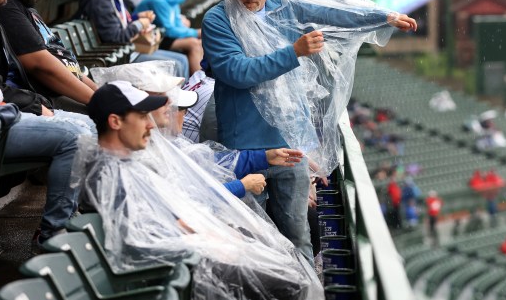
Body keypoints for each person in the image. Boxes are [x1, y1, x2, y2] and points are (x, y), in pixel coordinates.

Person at [201, 0, 416, 262]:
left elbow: (330, 9)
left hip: (290, 144)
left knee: (298, 234)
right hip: (245, 148)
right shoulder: (217, 20)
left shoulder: (280, 6)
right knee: (254, 241)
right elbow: (237, 71)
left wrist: (381, 16)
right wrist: (294, 52)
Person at [79, 81, 323, 299]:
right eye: (142, 116)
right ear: (115, 121)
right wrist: (205, 241)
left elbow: (166, 209)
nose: (150, 125)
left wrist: (209, 232)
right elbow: (142, 238)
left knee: (276, 253)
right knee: (293, 282)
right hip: (175, 264)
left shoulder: (126, 161)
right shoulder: (109, 173)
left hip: (186, 251)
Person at [0, 0, 91, 250]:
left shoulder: (1, 12)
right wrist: (33, 104)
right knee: (76, 136)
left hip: (9, 109)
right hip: (2, 118)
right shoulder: (3, 11)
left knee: (86, 130)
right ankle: (52, 235)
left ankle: (87, 220)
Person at [90, 60, 303, 199]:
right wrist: (242, 185)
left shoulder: (156, 144)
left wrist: (264, 157)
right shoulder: (133, 160)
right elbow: (189, 203)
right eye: (158, 99)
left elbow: (207, 162)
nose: (169, 104)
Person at [76, 0, 189, 78]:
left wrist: (137, 18)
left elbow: (118, 25)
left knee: (181, 60)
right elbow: (116, 37)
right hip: (119, 57)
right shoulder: (99, 3)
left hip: (126, 52)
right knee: (177, 65)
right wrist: (139, 24)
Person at [135, 0, 204, 74]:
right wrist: (196, 33)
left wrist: (194, 33)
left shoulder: (172, 1)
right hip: (149, 39)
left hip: (162, 36)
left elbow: (177, 24)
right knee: (193, 43)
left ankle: (202, 78)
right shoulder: (158, 0)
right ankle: (198, 83)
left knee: (199, 42)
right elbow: (170, 31)